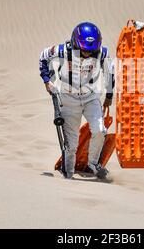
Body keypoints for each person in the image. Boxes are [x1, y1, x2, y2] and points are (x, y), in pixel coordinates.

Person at [39, 22, 114, 179]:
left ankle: (93, 164)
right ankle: (69, 175)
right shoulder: (62, 51)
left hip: (91, 97)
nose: (87, 53)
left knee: (100, 130)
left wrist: (109, 96)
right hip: (68, 99)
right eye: (84, 49)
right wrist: (47, 80)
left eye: (91, 50)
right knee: (71, 145)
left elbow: (110, 73)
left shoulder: (103, 53)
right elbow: (43, 57)